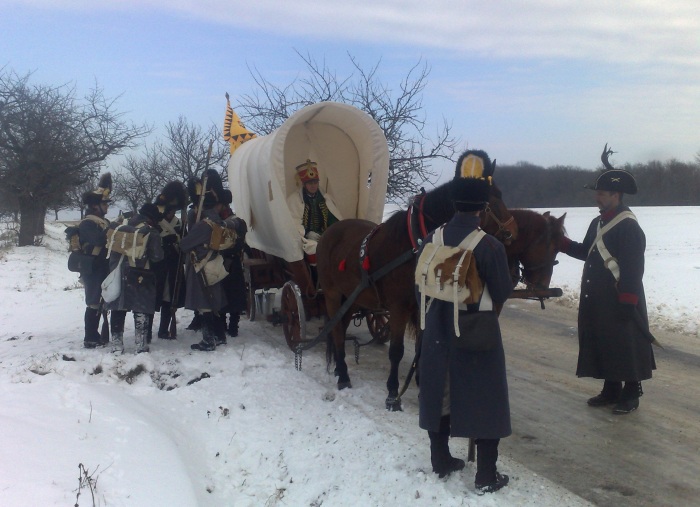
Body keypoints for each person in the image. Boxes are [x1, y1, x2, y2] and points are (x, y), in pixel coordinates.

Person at [417, 150, 513, 494]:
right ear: (482, 205)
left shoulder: (432, 239)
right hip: (476, 329)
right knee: (486, 396)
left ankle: (440, 459)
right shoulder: (487, 246)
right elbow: (501, 290)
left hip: (437, 328)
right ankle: (486, 475)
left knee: (439, 392)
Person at [558, 153, 655, 414]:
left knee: (626, 343)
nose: (597, 197)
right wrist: (563, 244)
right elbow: (589, 251)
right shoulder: (598, 222)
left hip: (620, 295)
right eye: (598, 192)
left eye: (602, 193)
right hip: (599, 296)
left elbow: (634, 268)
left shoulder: (628, 225)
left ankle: (632, 391)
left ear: (616, 195)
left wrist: (628, 300)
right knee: (606, 340)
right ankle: (611, 388)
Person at [181, 169, 232, 351]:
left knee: (204, 305)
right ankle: (219, 336)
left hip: (201, 267)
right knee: (212, 302)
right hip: (214, 265)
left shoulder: (203, 224)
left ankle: (208, 340)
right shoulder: (216, 220)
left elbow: (185, 244)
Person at [105, 204, 165, 354]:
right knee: (141, 310)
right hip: (141, 273)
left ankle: (117, 345)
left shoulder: (120, 226)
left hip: (118, 271)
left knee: (118, 308)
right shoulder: (151, 231)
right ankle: (140, 345)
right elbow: (157, 257)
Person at [78, 173, 112, 349]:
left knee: (100, 301)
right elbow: (99, 240)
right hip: (92, 266)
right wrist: (112, 229)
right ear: (94, 205)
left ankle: (95, 335)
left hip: (102, 265)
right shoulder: (87, 223)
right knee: (93, 301)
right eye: (104, 203)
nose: (107, 206)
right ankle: (90, 337)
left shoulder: (102, 221)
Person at [286, 159, 341, 266]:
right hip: (305, 237)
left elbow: (332, 218)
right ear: (304, 184)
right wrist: (307, 233)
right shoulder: (294, 200)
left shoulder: (325, 198)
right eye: (310, 183)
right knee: (313, 247)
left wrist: (333, 232)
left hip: (324, 233)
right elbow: (294, 222)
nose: (313, 185)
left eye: (315, 182)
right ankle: (315, 277)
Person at [152, 181, 188, 339]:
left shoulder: (179, 223)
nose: (171, 213)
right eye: (170, 210)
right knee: (153, 298)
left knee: (170, 298)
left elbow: (185, 242)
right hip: (158, 265)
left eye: (173, 210)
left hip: (174, 264)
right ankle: (146, 332)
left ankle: (163, 330)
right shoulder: (155, 223)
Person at [217, 189, 248, 339]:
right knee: (222, 294)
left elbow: (240, 241)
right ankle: (222, 324)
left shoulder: (237, 221)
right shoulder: (217, 220)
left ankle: (233, 325)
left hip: (232, 260)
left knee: (235, 294)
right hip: (219, 261)